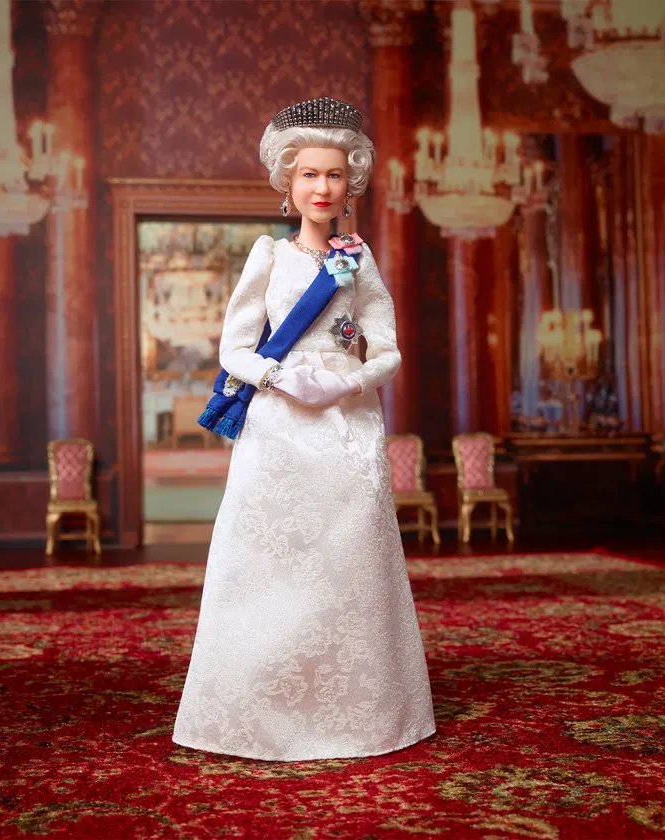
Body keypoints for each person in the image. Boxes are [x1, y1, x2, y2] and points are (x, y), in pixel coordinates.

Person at [172, 97, 435, 761]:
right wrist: (278, 377)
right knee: (272, 566)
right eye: (310, 174)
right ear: (288, 183)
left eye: (335, 174)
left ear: (352, 183)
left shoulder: (358, 260)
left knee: (349, 562)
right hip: (280, 427)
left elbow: (387, 350)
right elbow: (233, 348)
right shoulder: (268, 255)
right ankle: (261, 711)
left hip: (347, 427)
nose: (323, 187)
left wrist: (346, 382)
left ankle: (360, 715)